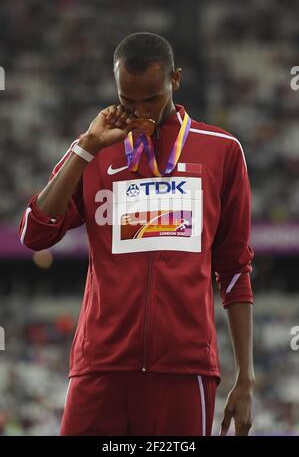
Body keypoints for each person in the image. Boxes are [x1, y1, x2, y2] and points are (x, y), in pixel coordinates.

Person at [19, 32, 255, 436]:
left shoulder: (221, 150)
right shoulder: (94, 150)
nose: (141, 111)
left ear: (175, 80)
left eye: (152, 99)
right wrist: (87, 147)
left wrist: (246, 378)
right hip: (101, 364)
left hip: (184, 367)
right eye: (128, 101)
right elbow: (34, 234)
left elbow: (234, 267)